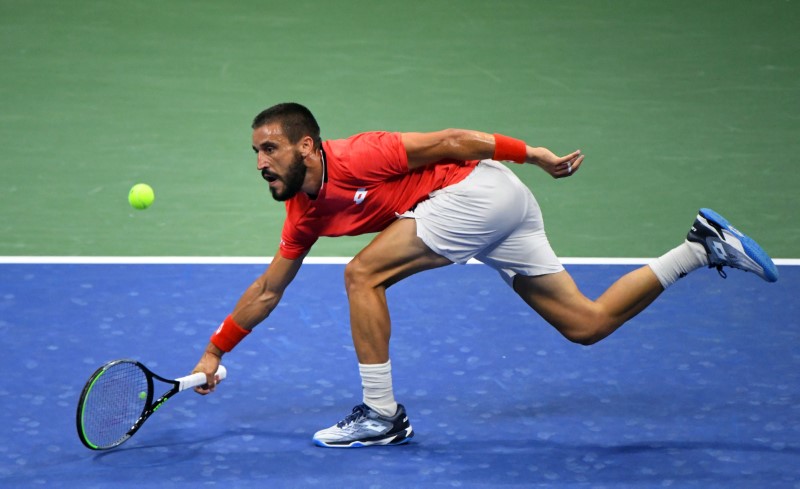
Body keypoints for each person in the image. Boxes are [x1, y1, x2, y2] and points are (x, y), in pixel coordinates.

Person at [191, 102, 779, 448]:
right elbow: (270, 289)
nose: (261, 162)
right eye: (256, 154)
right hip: (495, 208)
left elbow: (449, 141)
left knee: (361, 275)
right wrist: (215, 352)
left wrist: (535, 153)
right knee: (586, 324)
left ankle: (381, 415)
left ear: (308, 147)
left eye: (270, 149)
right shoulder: (303, 213)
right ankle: (701, 249)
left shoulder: (361, 155)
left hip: (477, 189)